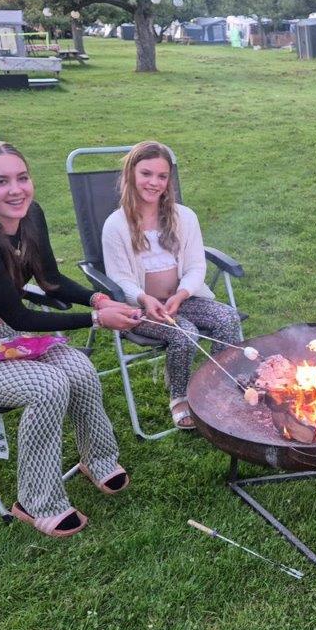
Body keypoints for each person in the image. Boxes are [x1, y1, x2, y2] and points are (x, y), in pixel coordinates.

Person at [0, 142, 141, 538]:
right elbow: (20, 314)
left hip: (9, 340)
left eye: (22, 178)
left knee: (78, 367)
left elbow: (50, 280)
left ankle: (97, 460)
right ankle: (36, 501)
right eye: (1, 181)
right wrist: (99, 319)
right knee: (48, 386)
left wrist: (98, 298)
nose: (16, 190)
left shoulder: (31, 216)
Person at [101, 141, 241, 429]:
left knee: (227, 317)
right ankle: (179, 396)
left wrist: (182, 293)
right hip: (140, 309)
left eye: (162, 176)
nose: (154, 183)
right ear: (130, 175)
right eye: (146, 174)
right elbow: (119, 278)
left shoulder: (184, 217)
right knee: (184, 332)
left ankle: (218, 388)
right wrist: (142, 299)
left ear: (169, 180)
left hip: (182, 299)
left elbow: (195, 266)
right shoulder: (115, 225)